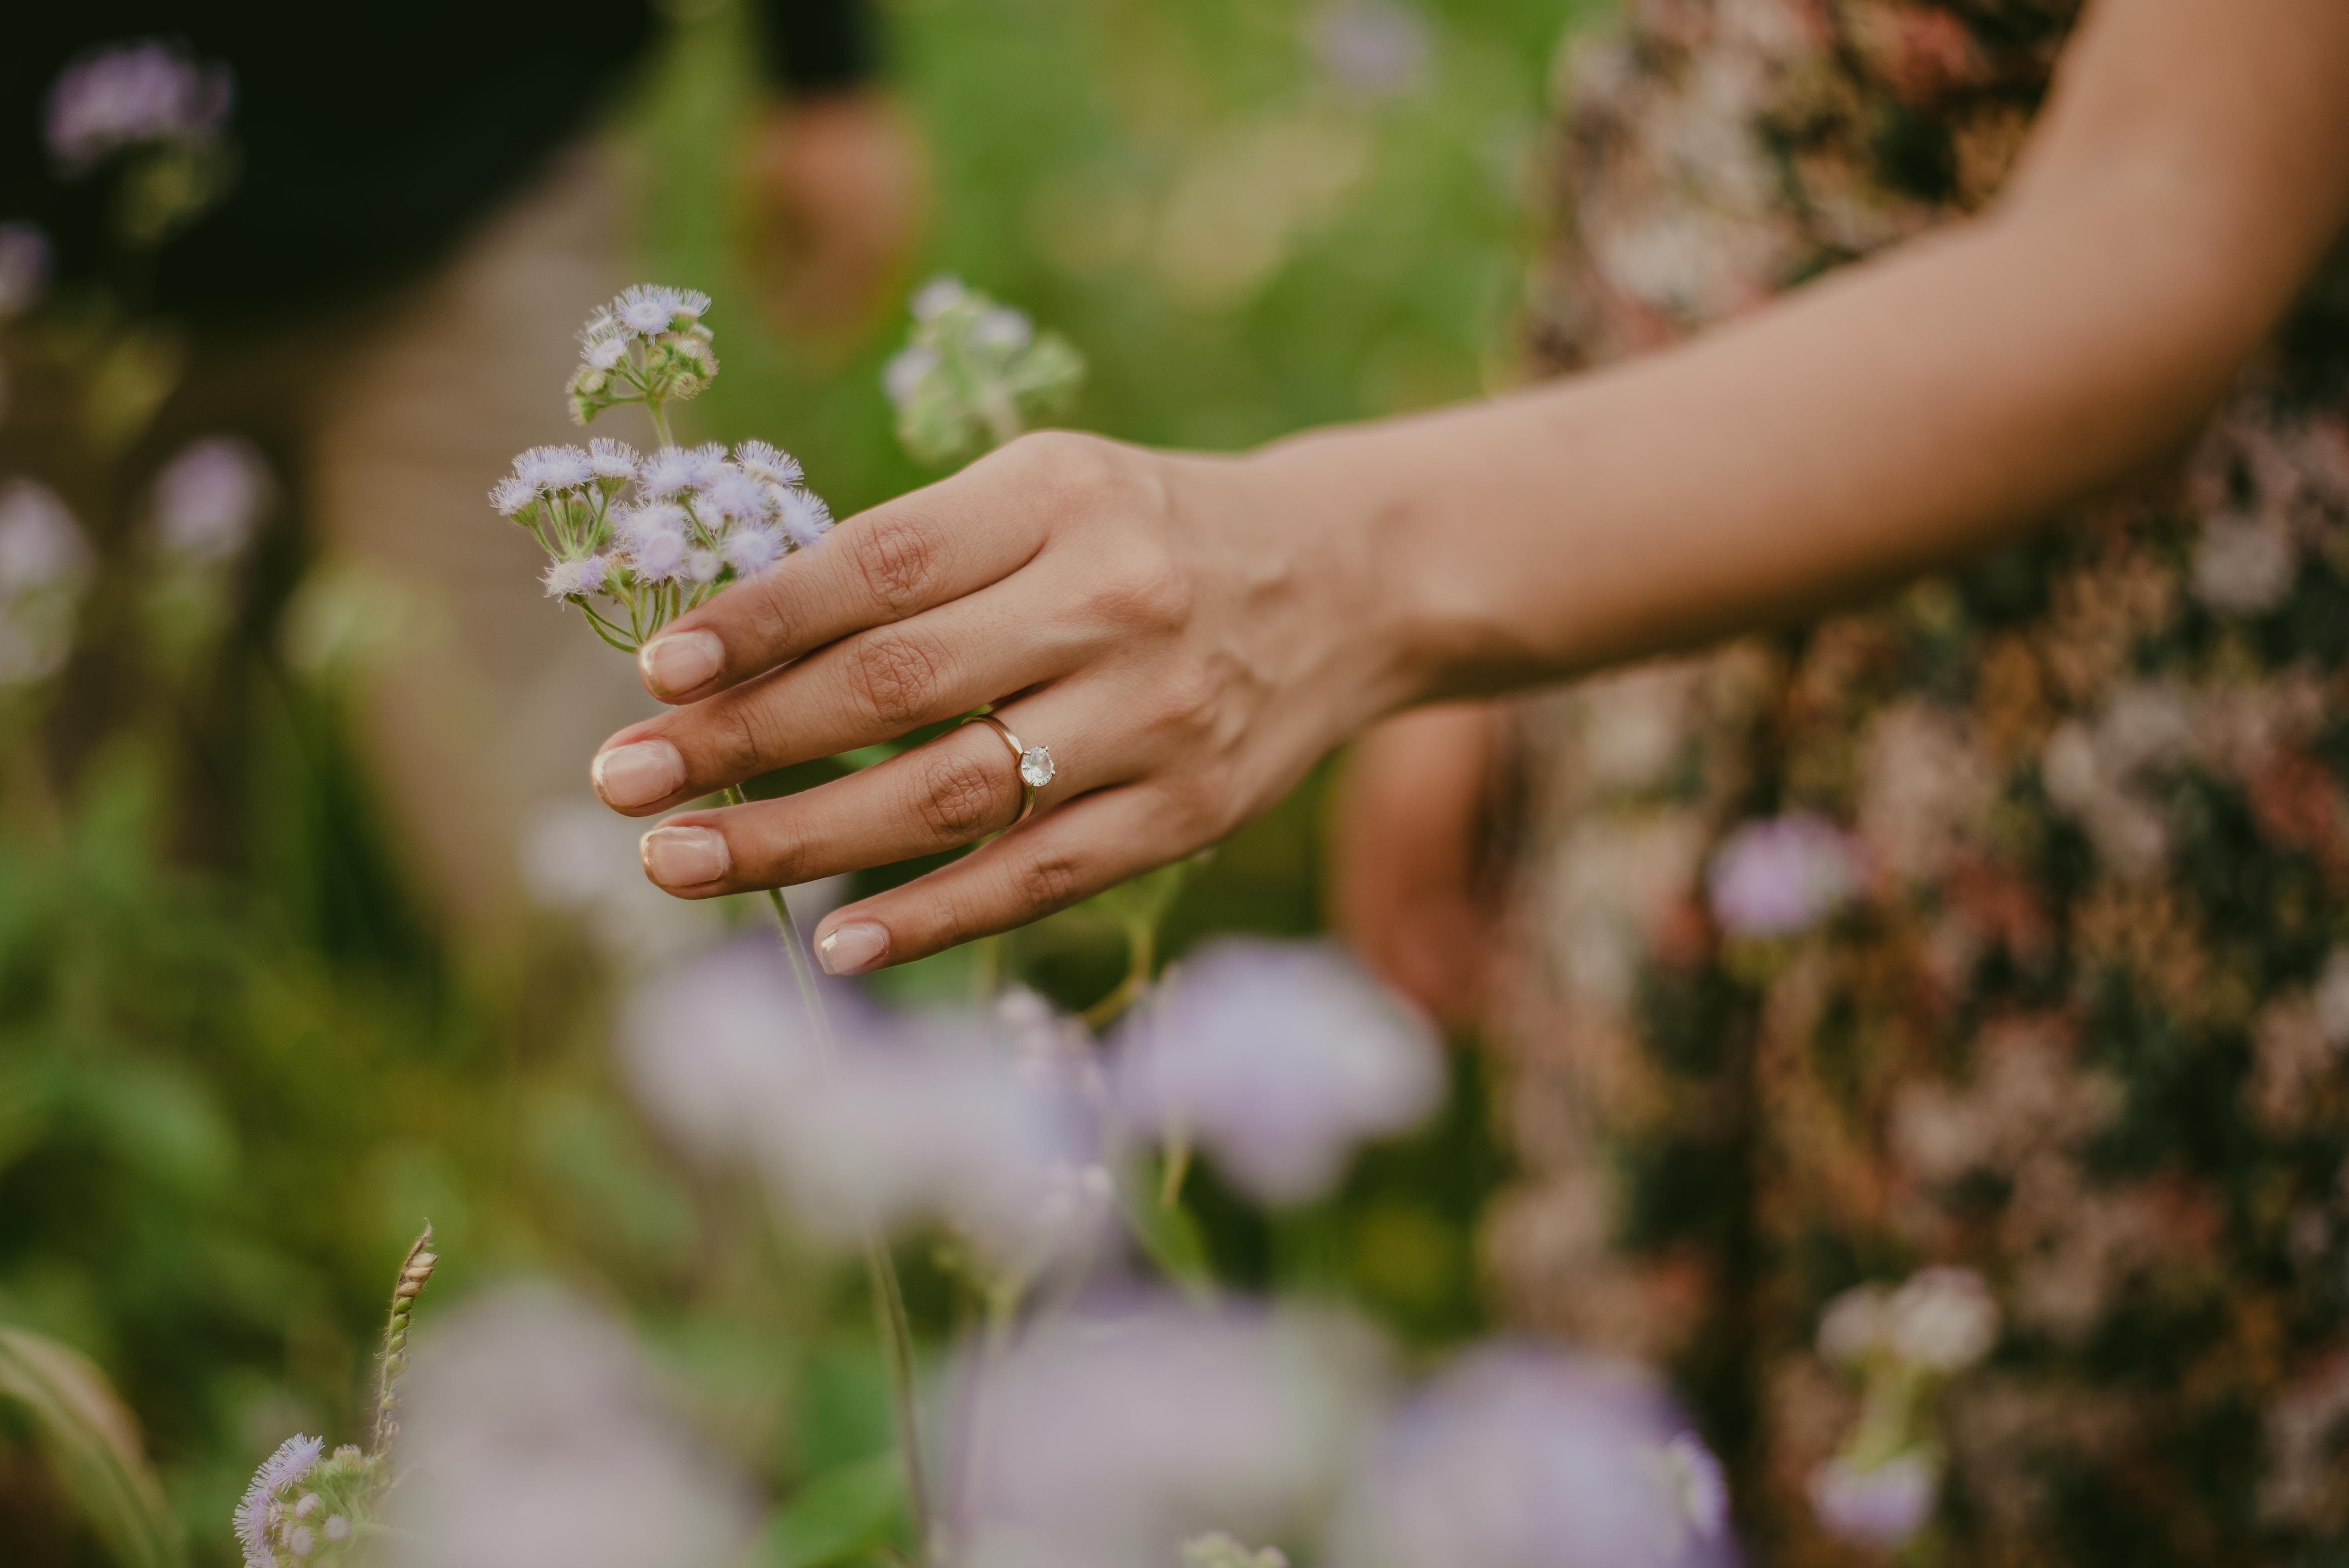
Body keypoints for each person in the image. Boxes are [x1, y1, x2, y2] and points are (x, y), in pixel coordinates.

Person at [589, 0, 2349, 1553]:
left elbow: (2167, 217)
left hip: (2061, 781)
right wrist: (1479, 641)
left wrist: (1353, 574)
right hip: (1640, 602)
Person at [0, 0, 924, 941]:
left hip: (464, 179)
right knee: (102, 888)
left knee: (589, 880)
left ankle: (747, 1058)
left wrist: (823, 71)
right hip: (37, 289)